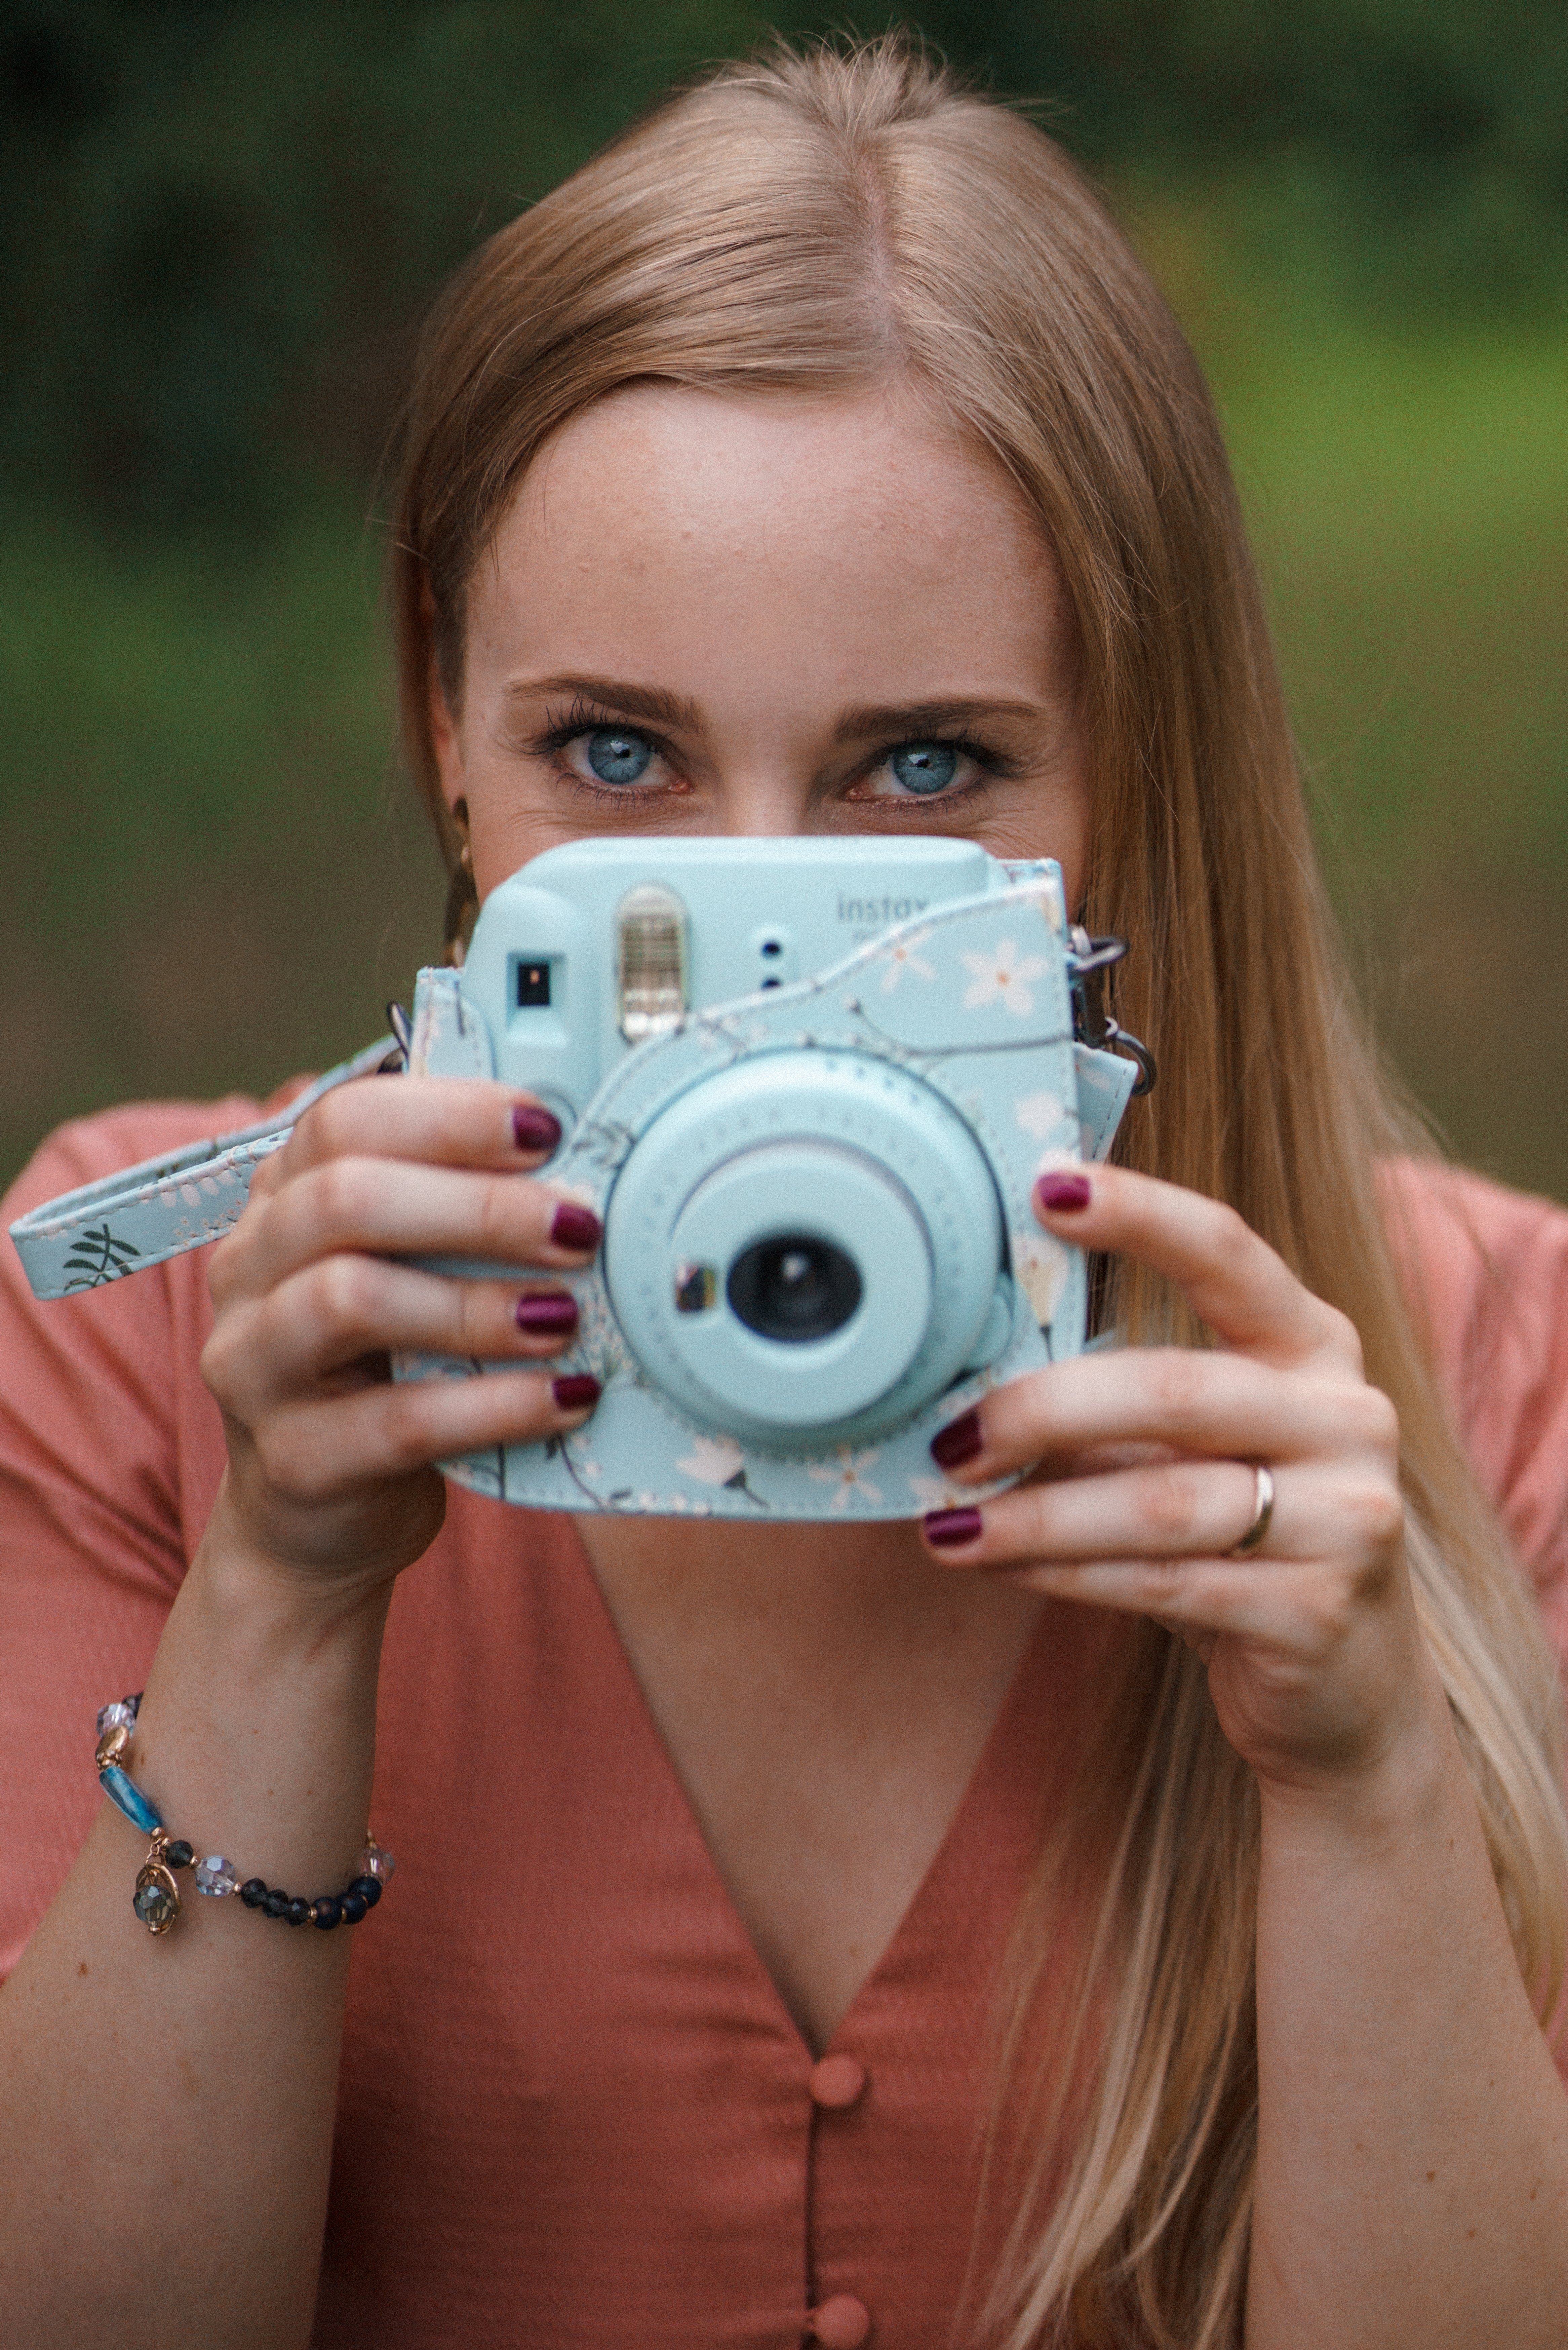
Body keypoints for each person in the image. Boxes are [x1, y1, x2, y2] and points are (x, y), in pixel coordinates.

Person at [1, 35, 1565, 2350]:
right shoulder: (149, 1329)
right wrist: (281, 1602)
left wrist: (1356, 1787)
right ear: (448, 725)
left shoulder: (1480, 1379)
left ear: (1137, 766)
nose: (763, 921)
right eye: (612, 753)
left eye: (919, 767)